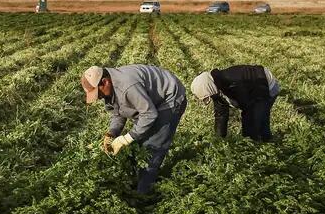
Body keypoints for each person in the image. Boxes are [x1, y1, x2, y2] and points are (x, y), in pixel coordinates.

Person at [82, 64, 187, 194]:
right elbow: (118, 114)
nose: (99, 97)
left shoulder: (127, 86)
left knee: (151, 149)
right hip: (150, 103)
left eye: (98, 93)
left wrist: (127, 138)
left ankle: (143, 195)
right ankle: (135, 181)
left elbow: (149, 114)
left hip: (169, 98)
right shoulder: (110, 89)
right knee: (138, 142)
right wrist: (112, 133)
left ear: (105, 82)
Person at [190, 65, 280, 141]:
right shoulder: (216, 88)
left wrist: (247, 138)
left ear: (209, 88)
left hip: (265, 84)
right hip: (251, 88)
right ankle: (265, 139)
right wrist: (219, 139)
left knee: (256, 120)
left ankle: (260, 143)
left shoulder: (232, 82)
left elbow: (248, 109)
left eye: (207, 96)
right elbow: (221, 115)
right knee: (259, 120)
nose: (210, 98)